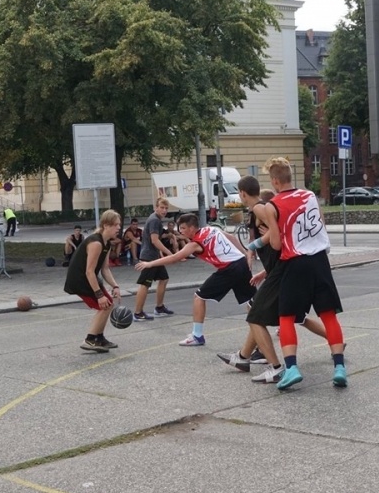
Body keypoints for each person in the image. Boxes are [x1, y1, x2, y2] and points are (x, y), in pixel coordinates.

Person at [216, 178, 329, 383]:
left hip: (284, 273)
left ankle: (275, 367)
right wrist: (263, 270)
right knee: (284, 316)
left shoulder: (260, 209)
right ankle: (243, 357)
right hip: (280, 271)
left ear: (242, 193)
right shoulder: (259, 209)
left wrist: (256, 243)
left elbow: (281, 232)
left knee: (256, 316)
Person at [262, 157, 347, 390]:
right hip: (319, 261)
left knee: (287, 317)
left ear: (276, 181)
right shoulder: (310, 195)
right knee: (329, 315)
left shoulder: (273, 205)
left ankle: (291, 368)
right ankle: (339, 367)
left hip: (295, 263)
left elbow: (277, 245)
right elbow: (321, 224)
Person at [136, 212, 256, 346]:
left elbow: (174, 258)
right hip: (241, 263)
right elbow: (231, 238)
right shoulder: (211, 229)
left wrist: (149, 264)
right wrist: (245, 254)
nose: (180, 231)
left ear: (192, 228)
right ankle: (260, 332)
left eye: (183, 228)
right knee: (251, 301)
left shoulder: (195, 244)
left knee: (199, 297)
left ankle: (197, 335)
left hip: (229, 268)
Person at [63, 210, 123, 352]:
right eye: (116, 225)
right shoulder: (96, 243)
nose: (119, 228)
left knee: (108, 303)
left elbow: (105, 269)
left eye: (119, 225)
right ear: (106, 225)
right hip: (79, 279)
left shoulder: (106, 243)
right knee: (105, 305)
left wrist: (115, 286)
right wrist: (99, 295)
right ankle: (90, 340)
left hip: (89, 278)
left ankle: (99, 338)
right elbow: (89, 271)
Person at [132, 199, 175, 321]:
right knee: (144, 284)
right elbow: (154, 240)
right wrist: (169, 253)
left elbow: (155, 240)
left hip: (154, 256)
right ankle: (138, 313)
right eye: (162, 207)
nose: (164, 210)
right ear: (156, 207)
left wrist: (161, 253)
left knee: (164, 278)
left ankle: (159, 307)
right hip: (149, 257)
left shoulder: (155, 219)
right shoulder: (155, 220)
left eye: (166, 208)